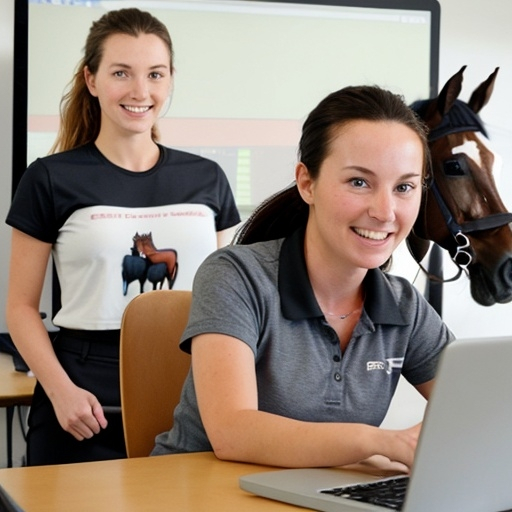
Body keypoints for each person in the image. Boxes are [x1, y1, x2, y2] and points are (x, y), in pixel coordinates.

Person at [151, 85, 454, 470]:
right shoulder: (235, 275)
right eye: (359, 182)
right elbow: (232, 431)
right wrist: (380, 442)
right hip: (197, 493)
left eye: (404, 187)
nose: (385, 211)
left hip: (317, 496)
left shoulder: (404, 306)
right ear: (307, 183)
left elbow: (480, 409)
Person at [5, 7, 240, 466]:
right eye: (121, 73)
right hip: (81, 399)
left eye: (155, 74)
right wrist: (61, 392)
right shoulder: (50, 178)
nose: (140, 91)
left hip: (191, 393)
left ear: (170, 79)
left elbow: (228, 301)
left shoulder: (207, 178)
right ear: (91, 80)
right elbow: (19, 309)